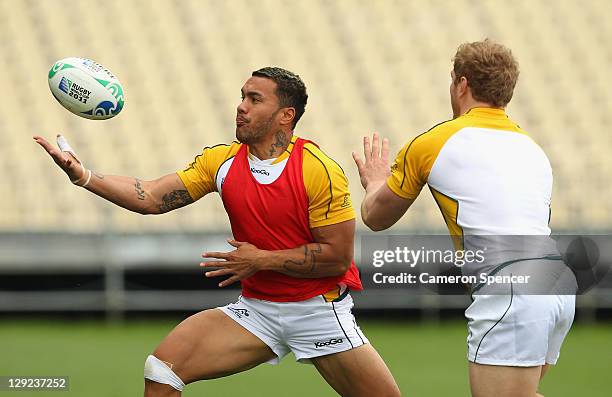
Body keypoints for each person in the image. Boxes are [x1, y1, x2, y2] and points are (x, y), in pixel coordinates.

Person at [34, 67, 400, 397]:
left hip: (317, 310)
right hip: (258, 311)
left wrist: (261, 260)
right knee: (161, 371)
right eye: (242, 96)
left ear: (286, 115)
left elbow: (336, 258)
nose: (241, 106)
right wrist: (84, 176)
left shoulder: (318, 169)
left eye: (254, 99)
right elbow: (150, 197)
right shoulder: (220, 161)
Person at [352, 40, 575, 397]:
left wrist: (374, 180)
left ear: (462, 84)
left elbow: (375, 217)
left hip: (511, 288)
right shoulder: (533, 148)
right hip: (558, 285)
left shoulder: (434, 141)